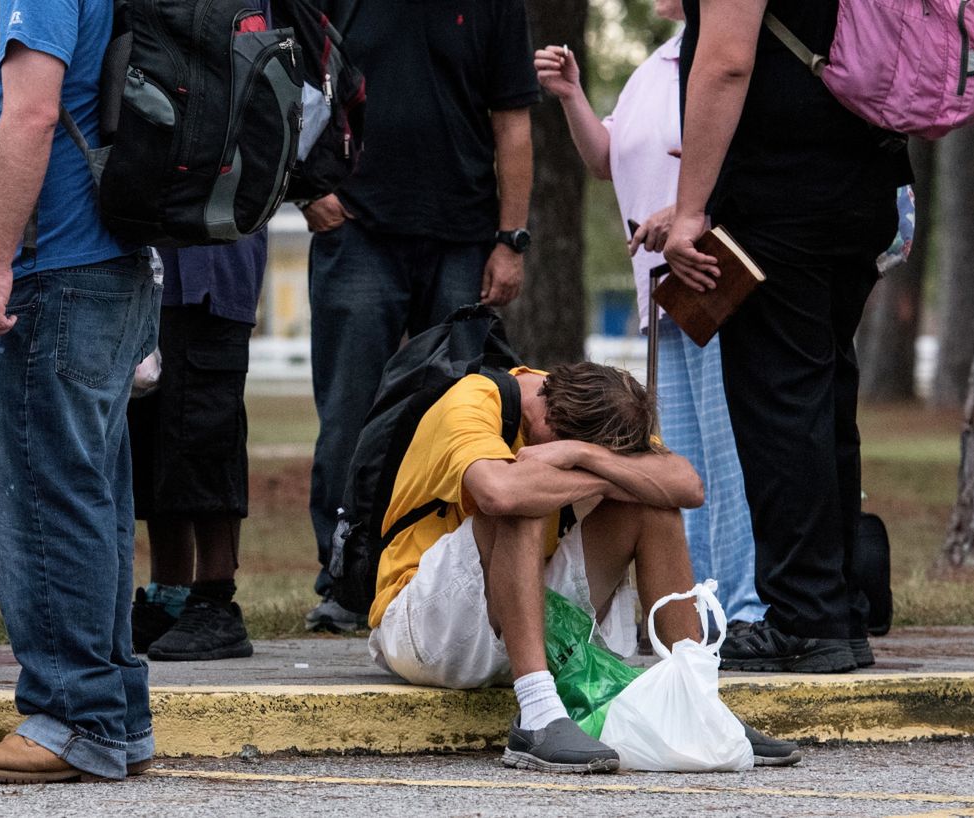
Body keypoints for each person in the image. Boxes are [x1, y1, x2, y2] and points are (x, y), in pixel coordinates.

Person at [366, 361, 802, 772]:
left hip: (526, 623)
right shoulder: (473, 399)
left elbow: (687, 485)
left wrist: (583, 457)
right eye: (574, 446)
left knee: (655, 509)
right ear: (550, 424)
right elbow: (499, 493)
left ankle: (696, 704)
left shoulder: (591, 411)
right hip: (423, 629)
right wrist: (611, 476)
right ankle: (536, 716)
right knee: (524, 500)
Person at [0, 0, 158, 784]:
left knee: (41, 497)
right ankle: (113, 716)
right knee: (87, 494)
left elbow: (32, 115)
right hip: (90, 268)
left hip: (48, 274)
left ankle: (73, 716)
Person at [663, 0, 911, 672]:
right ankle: (842, 607)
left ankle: (805, 617)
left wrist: (690, 211)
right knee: (824, 393)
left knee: (780, 403)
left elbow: (726, 63)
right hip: (865, 180)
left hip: (781, 193)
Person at [303, 0, 538, 633]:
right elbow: (290, 82)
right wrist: (308, 187)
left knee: (473, 413)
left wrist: (510, 240)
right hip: (358, 234)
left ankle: (463, 578)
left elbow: (513, 121)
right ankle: (348, 584)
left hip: (464, 239)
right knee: (350, 415)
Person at [533, 2, 765, 625]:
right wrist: (571, 95)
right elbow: (607, 160)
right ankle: (704, 606)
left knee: (727, 453)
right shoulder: (655, 65)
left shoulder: (722, 50)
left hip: (713, 275)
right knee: (682, 455)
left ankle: (746, 606)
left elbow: (737, 152)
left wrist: (686, 209)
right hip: (664, 291)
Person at [129, 233, 267, 662]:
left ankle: (216, 598)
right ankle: (169, 596)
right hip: (148, 271)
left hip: (209, 267)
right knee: (152, 440)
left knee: (207, 436)